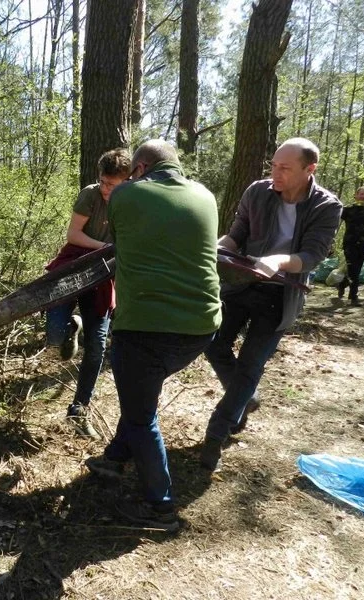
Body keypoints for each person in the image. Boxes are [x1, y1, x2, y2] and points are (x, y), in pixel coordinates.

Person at [84, 139, 221, 531]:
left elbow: (121, 244)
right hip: (201, 328)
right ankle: (114, 457)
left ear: (139, 168)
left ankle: (161, 509)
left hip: (146, 329)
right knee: (139, 394)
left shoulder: (125, 195)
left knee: (142, 416)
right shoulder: (205, 196)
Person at [200, 138, 342, 472]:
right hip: (242, 282)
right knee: (212, 341)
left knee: (251, 365)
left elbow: (313, 255)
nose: (275, 174)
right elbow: (236, 235)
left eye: (284, 168)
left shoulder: (327, 206)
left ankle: (216, 434)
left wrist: (276, 261)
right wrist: (210, 250)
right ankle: (244, 399)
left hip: (282, 293)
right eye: (273, 165)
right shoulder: (257, 191)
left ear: (310, 170)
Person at [44, 149, 131, 439]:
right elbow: (74, 235)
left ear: (126, 181)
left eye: (113, 185)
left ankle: (79, 408)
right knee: (54, 337)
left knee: (97, 346)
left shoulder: (132, 202)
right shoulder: (89, 195)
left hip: (105, 275)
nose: (106, 189)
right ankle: (71, 326)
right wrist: (104, 248)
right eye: (104, 182)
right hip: (74, 264)